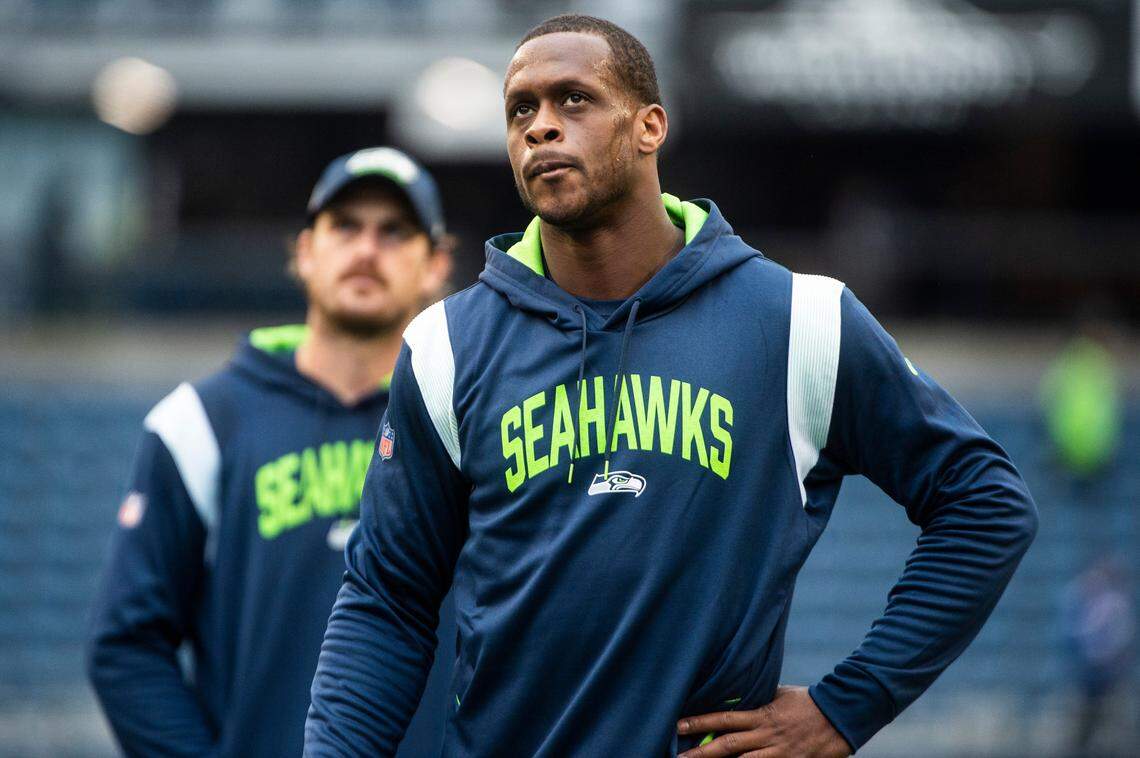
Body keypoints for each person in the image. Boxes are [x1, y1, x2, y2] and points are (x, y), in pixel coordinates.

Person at [305, 16, 1038, 757]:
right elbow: (384, 602)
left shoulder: (798, 321)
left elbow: (985, 503)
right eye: (521, 109)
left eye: (574, 101)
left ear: (650, 126)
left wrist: (846, 707)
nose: (541, 128)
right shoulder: (446, 347)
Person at [87, 146, 454, 757]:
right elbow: (125, 647)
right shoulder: (200, 424)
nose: (366, 250)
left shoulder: (469, 423)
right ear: (305, 251)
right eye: (344, 227)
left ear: (436, 263)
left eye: (395, 231)